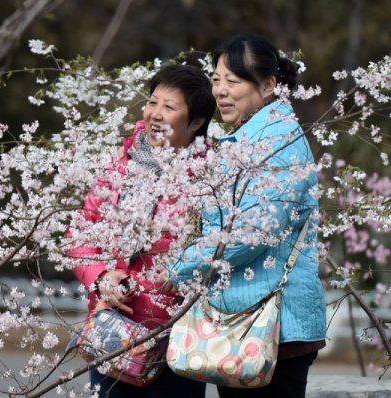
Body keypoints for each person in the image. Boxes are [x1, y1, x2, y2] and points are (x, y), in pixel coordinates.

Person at [165, 33, 326, 398]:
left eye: (233, 81)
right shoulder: (248, 138)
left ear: (268, 85)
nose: (220, 90)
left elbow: (248, 235)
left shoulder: (278, 144)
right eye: (217, 79)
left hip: (272, 324)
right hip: (243, 318)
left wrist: (177, 269)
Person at [69, 64, 216, 398]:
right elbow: (81, 231)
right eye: (153, 102)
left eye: (170, 107)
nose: (155, 114)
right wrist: (101, 277)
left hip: (178, 336)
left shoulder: (209, 176)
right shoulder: (123, 164)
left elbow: (216, 248)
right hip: (113, 331)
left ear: (195, 122)